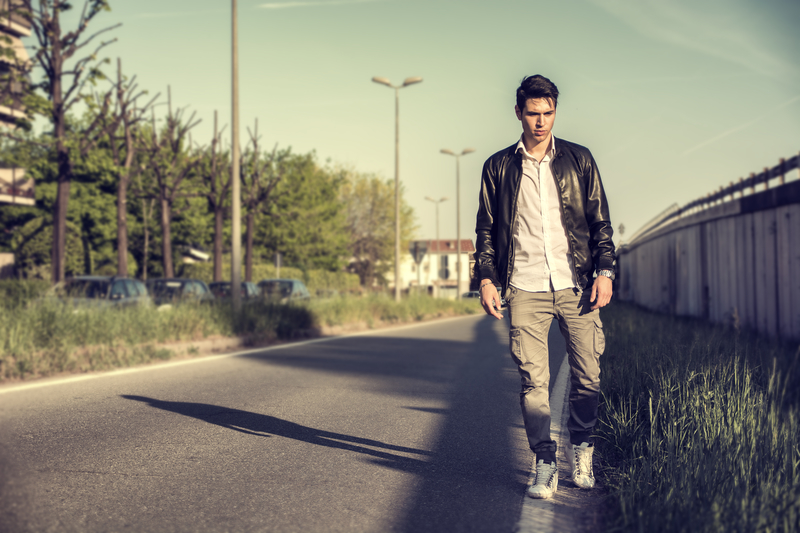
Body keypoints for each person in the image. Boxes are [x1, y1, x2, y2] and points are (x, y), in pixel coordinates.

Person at [474, 74, 615, 500]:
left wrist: (605, 272)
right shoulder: (498, 166)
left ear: (555, 111)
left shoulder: (579, 159)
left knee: (588, 375)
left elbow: (600, 222)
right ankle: (545, 461)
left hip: (577, 285)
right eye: (533, 113)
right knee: (534, 384)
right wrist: (485, 277)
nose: (541, 122)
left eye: (548, 113)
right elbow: (486, 230)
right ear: (518, 112)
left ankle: (583, 450)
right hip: (525, 286)